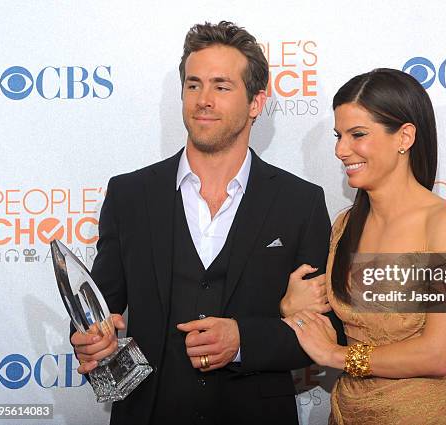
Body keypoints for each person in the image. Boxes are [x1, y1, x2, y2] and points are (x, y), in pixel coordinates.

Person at [69, 21, 344, 425]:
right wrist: (92, 341)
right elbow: (101, 310)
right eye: (193, 85)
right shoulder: (130, 195)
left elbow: (327, 331)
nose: (203, 100)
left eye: (222, 86)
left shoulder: (299, 201)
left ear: (256, 103)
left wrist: (243, 341)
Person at [281, 68, 446, 424]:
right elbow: (329, 321)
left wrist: (337, 356)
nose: (340, 150)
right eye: (338, 135)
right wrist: (292, 307)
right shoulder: (344, 226)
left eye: (358, 134)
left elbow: (438, 354)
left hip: (424, 414)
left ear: (405, 137)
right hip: (347, 412)